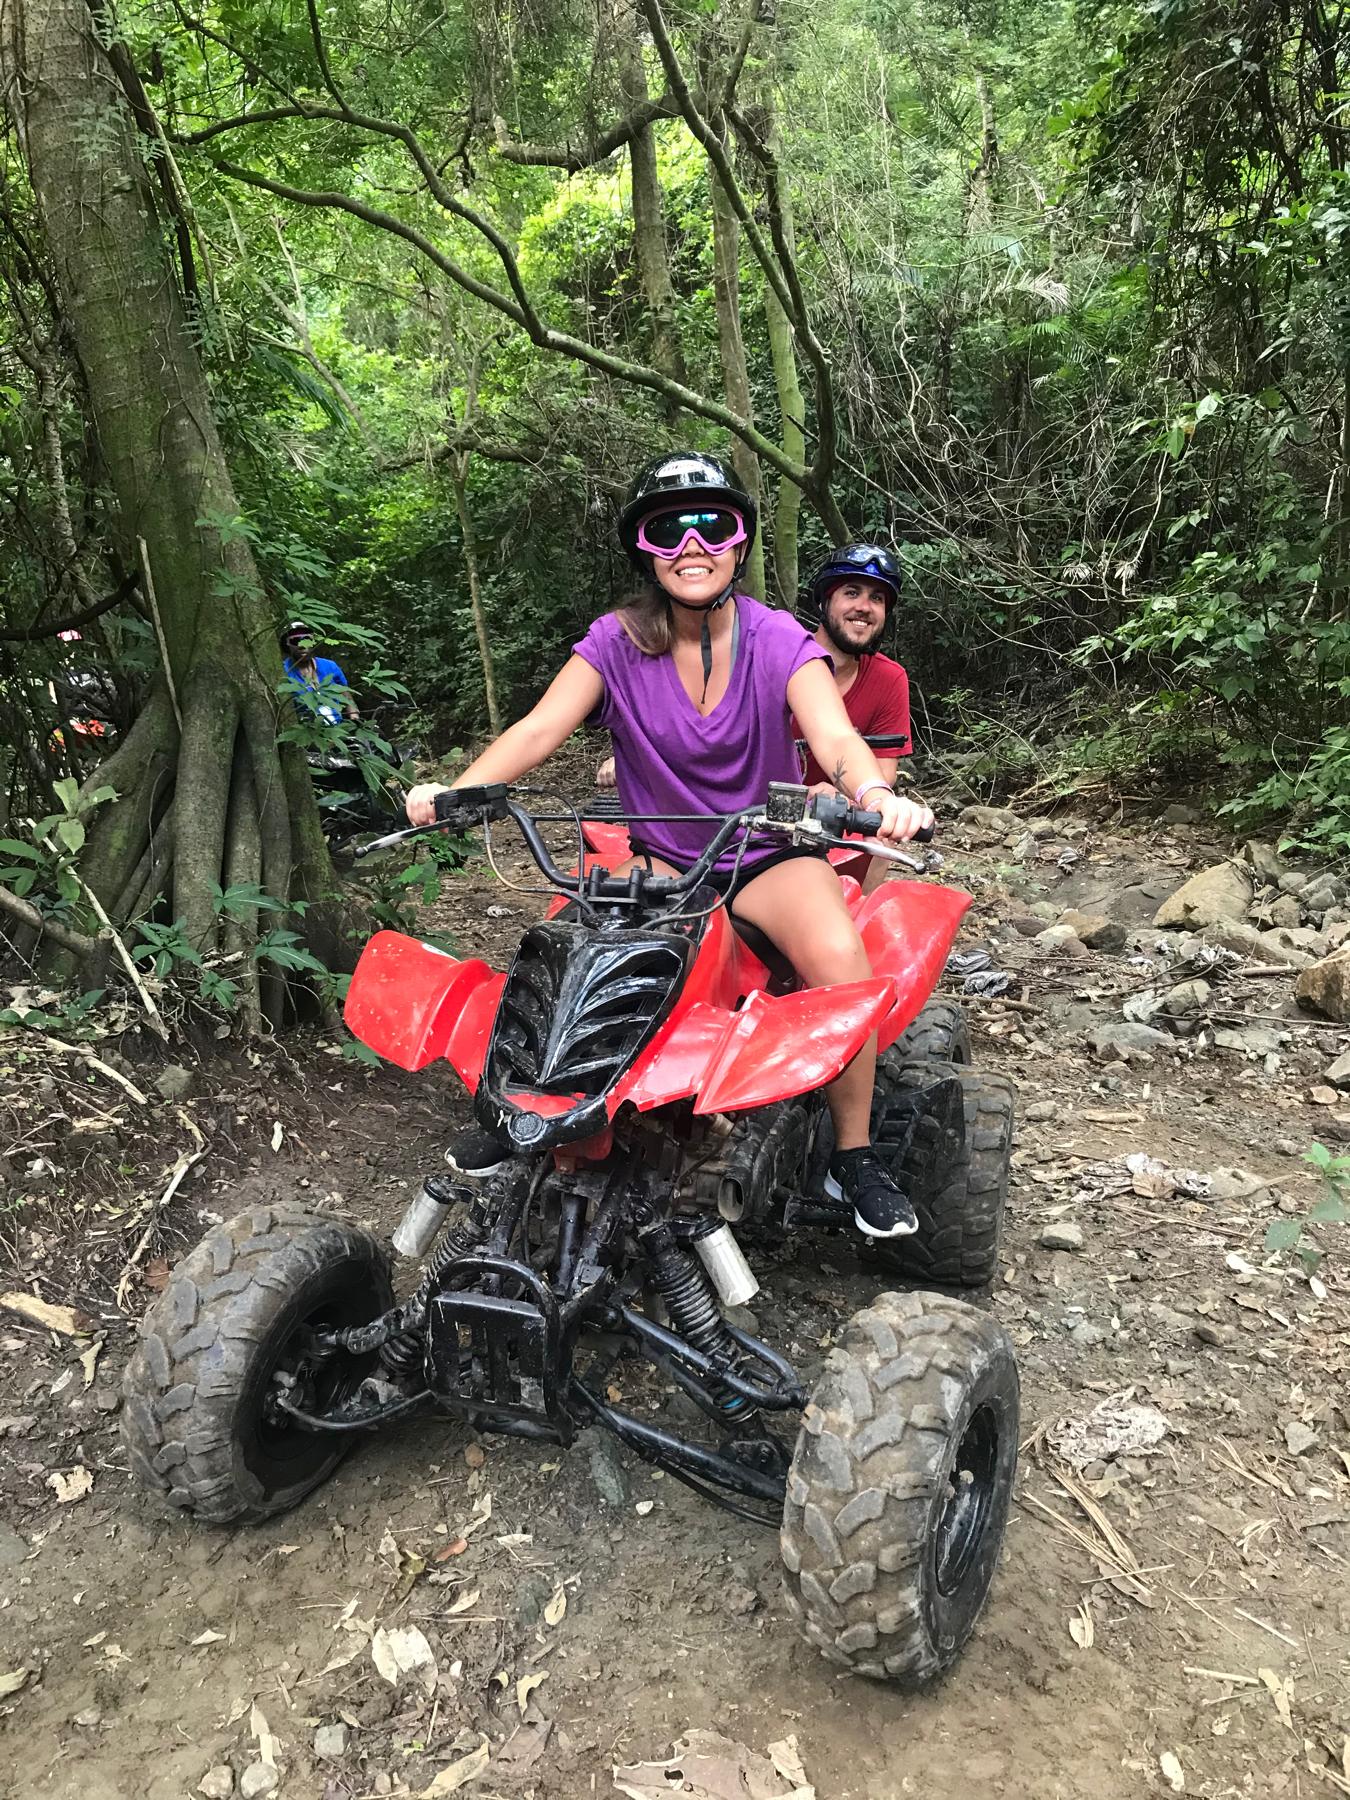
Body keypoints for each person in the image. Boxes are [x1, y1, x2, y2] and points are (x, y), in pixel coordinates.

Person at [406, 451, 935, 1240]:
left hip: (764, 853)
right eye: (669, 529)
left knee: (839, 965)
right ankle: (536, 1107)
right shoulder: (615, 642)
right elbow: (541, 728)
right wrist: (456, 790)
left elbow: (834, 734)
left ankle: (852, 1154)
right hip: (663, 858)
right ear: (646, 550)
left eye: (712, 525)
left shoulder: (780, 638)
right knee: (573, 944)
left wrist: (876, 795)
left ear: (740, 541)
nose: (692, 544)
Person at [795, 544, 914, 894]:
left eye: (877, 599)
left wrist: (837, 796)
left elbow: (884, 775)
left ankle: (860, 912)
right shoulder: (781, 658)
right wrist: (803, 794)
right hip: (760, 811)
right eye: (851, 592)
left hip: (839, 817)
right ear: (824, 602)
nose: (863, 607)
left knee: (883, 832)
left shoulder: (889, 678)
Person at [280, 621, 359, 724]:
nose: (303, 645)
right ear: (287, 645)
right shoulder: (283, 671)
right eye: (295, 640)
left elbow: (345, 694)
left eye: (307, 639)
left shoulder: (330, 666)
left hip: (337, 729)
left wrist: (354, 717)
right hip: (305, 730)